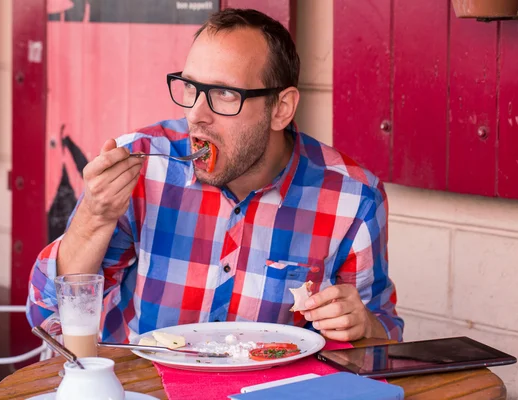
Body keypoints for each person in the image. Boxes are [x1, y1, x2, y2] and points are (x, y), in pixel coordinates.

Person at [27, 8, 404, 344]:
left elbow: (384, 337)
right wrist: (96, 216)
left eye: (223, 94)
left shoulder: (354, 198)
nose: (196, 114)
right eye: (190, 88)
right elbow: (47, 315)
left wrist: (363, 324)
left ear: (281, 108)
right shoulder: (143, 164)